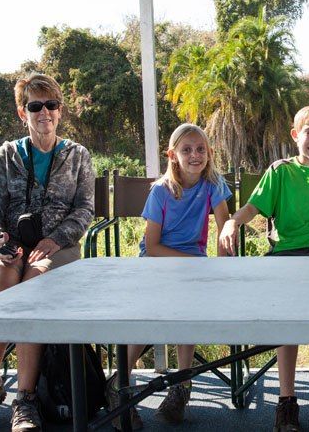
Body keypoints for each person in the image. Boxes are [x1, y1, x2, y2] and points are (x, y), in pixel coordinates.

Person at [219, 105, 309, 432]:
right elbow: (254, 206)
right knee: (287, 316)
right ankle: (286, 402)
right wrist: (231, 223)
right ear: (296, 136)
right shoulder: (280, 171)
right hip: (286, 255)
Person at [0, 73, 95, 432]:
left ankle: (25, 400)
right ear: (21, 112)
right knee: (1, 289)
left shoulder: (77, 156)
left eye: (51, 105)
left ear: (60, 110)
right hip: (7, 244)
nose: (45, 113)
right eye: (35, 106)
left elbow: (84, 210)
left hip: (58, 247)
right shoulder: (6, 155)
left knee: (32, 290)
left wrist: (55, 239)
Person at [104, 123, 232, 429]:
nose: (195, 155)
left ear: (209, 153)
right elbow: (153, 245)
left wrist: (221, 266)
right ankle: (119, 385)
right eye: (186, 150)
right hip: (158, 262)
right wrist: (193, 263)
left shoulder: (213, 184)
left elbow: (224, 227)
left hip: (193, 265)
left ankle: (181, 386)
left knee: (187, 313)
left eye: (200, 149)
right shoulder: (162, 191)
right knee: (151, 315)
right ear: (172, 155)